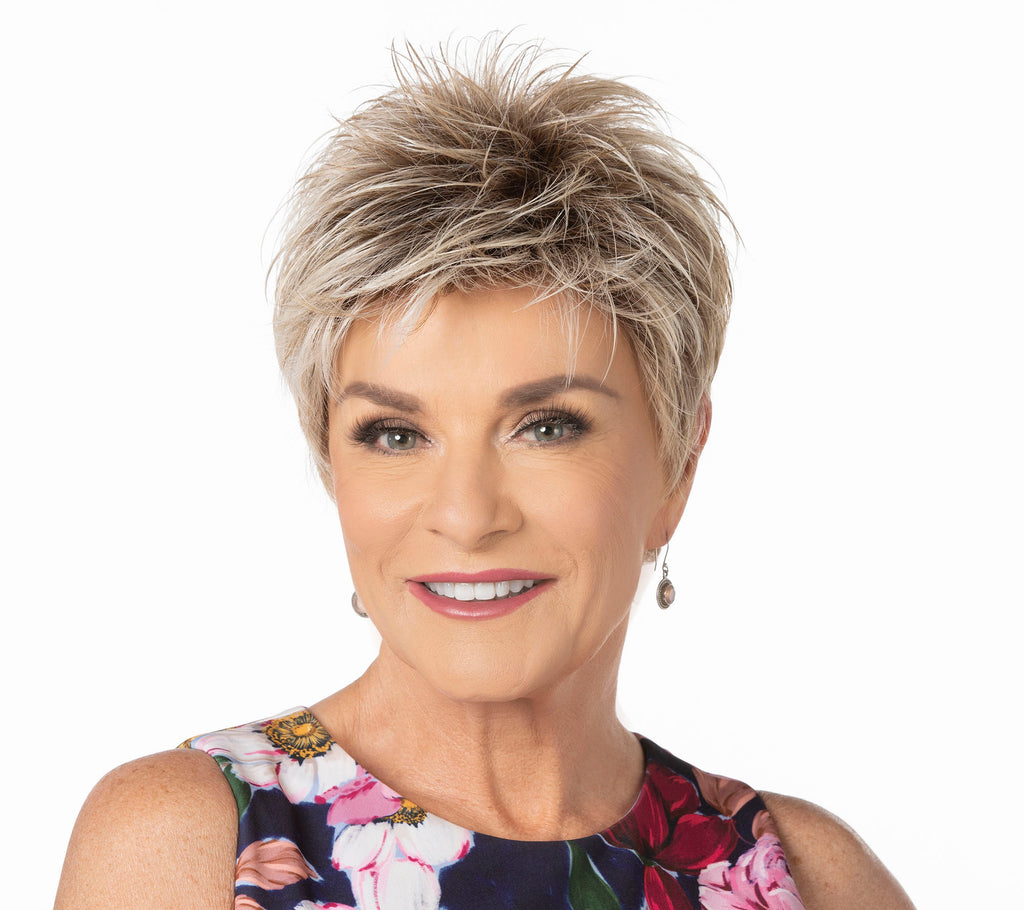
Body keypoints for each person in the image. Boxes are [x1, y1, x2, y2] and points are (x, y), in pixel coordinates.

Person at [55, 38, 916, 910]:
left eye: (546, 427)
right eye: (396, 434)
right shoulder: (185, 841)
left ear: (678, 464)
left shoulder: (805, 880)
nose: (466, 514)